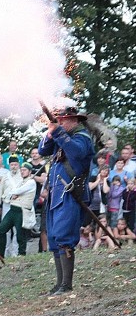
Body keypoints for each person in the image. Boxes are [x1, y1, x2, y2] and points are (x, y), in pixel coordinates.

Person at [38, 106, 95, 295]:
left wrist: (59, 132)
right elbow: (43, 150)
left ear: (75, 120)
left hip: (71, 193)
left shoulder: (82, 137)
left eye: (64, 120)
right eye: (59, 119)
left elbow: (77, 153)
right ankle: (60, 283)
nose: (60, 122)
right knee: (54, 238)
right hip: (56, 193)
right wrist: (50, 132)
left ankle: (66, 285)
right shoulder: (62, 135)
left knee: (64, 238)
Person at [0, 162, 36, 257]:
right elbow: (13, 192)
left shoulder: (31, 182)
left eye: (25, 170)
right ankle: (0, 254)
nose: (22, 172)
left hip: (21, 211)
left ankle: (21, 254)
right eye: (21, 170)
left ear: (30, 172)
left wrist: (15, 193)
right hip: (13, 210)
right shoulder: (20, 182)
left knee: (20, 235)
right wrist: (14, 193)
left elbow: (16, 191)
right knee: (1, 229)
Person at [0, 156, 23, 256]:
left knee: (17, 230)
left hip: (18, 205)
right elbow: (0, 190)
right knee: (4, 230)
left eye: (15, 165)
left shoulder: (22, 175)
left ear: (18, 165)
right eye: (12, 165)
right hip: (7, 204)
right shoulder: (6, 176)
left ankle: (15, 252)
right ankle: (5, 252)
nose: (14, 167)